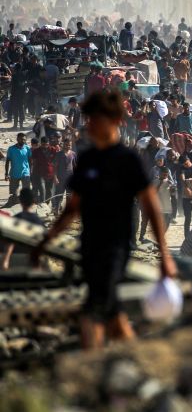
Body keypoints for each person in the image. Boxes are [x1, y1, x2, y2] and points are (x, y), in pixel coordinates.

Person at [30, 89, 176, 350]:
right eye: (89, 120)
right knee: (111, 313)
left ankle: (96, 366)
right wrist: (47, 240)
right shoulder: (87, 159)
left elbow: (151, 205)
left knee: (94, 311)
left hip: (115, 249)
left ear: (115, 120)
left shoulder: (128, 160)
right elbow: (72, 207)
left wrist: (164, 255)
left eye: (95, 120)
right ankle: (128, 364)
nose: (90, 126)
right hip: (89, 246)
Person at [2, 188, 43, 270]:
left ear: (20, 201)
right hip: (30, 259)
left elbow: (10, 243)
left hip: (14, 258)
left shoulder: (15, 219)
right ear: (33, 201)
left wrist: (5, 261)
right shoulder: (39, 222)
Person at [5, 133, 32, 205]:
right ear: (17, 139)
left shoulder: (27, 148)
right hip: (14, 173)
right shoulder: (11, 149)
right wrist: (6, 174)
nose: (23, 141)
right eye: (21, 139)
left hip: (25, 173)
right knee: (14, 193)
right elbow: (7, 161)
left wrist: (31, 171)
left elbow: (30, 161)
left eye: (24, 139)